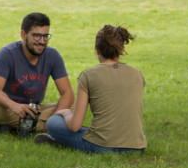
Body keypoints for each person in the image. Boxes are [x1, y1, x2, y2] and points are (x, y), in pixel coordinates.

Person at [36, 25, 146, 154]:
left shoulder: (88, 76)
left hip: (102, 147)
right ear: (121, 49)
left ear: (97, 50)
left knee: (53, 122)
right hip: (136, 147)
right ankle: (67, 142)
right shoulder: (137, 74)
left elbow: (74, 125)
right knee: (90, 131)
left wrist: (65, 113)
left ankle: (64, 142)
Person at [0, 12, 74, 135]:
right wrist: (14, 106)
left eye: (45, 36)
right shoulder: (7, 53)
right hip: (6, 107)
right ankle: (36, 126)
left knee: (73, 108)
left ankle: (14, 126)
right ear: (24, 35)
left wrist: (55, 118)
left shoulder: (52, 55)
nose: (42, 41)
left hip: (33, 109)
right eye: (37, 36)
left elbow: (67, 93)